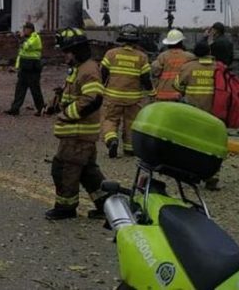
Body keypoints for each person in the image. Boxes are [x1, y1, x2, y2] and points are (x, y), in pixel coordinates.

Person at [43, 27, 107, 220]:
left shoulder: (88, 70)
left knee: (64, 169)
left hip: (78, 134)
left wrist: (66, 114)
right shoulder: (79, 69)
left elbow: (93, 98)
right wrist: (55, 105)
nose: (64, 56)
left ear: (77, 50)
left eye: (66, 52)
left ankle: (65, 208)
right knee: (88, 173)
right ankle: (107, 205)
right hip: (79, 134)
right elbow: (72, 95)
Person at [173, 40, 220, 190]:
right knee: (213, 146)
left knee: (191, 144)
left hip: (192, 112)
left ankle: (190, 174)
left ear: (195, 53)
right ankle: (212, 176)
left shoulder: (188, 67)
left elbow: (177, 86)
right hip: (213, 114)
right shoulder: (218, 68)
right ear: (209, 53)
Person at [100, 29, 152, 158]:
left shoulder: (111, 54)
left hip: (113, 96)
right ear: (135, 42)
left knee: (109, 119)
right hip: (133, 98)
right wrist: (152, 92)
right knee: (131, 123)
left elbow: (103, 74)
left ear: (122, 40)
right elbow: (146, 78)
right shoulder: (142, 56)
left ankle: (111, 139)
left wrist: (100, 88)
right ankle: (129, 148)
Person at [5, 22, 45, 116]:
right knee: (19, 89)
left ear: (31, 29)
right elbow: (21, 54)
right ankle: (15, 109)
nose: (24, 31)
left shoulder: (35, 38)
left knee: (35, 90)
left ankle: (41, 109)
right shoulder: (27, 38)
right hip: (24, 67)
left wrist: (21, 38)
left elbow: (27, 46)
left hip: (33, 68)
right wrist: (17, 67)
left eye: (26, 29)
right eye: (24, 29)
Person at [151, 29, 195, 101]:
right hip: (181, 96)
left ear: (168, 43)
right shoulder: (190, 57)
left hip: (163, 94)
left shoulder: (162, 56)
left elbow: (155, 71)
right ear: (181, 42)